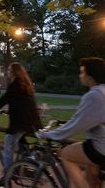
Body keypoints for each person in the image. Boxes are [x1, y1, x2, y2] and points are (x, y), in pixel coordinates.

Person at [38, 57, 105, 188]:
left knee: (66, 153)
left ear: (90, 76)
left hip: (101, 147)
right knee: (92, 177)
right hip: (98, 144)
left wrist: (50, 134)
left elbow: (77, 124)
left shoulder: (95, 95)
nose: (80, 76)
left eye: (82, 72)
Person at [0, 62, 42, 187]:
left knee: (8, 144)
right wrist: (8, 110)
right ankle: (26, 164)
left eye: (9, 70)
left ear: (14, 72)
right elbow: (21, 103)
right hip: (31, 122)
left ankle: (7, 175)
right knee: (22, 143)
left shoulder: (14, 86)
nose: (8, 72)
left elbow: (2, 101)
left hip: (20, 123)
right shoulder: (26, 84)